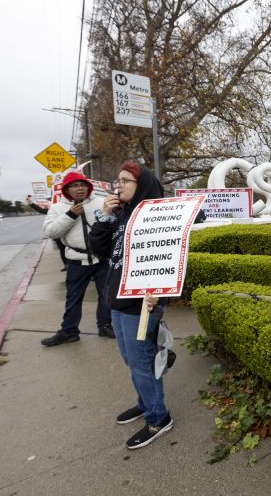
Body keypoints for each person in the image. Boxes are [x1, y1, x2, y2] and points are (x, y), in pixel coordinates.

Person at [88, 161, 174, 449]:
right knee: (130, 360)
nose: (118, 185)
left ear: (143, 186)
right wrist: (104, 217)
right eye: (118, 180)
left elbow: (171, 260)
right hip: (117, 300)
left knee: (140, 364)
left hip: (140, 305)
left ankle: (158, 417)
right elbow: (100, 251)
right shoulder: (122, 215)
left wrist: (162, 294)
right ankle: (145, 400)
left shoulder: (155, 216)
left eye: (125, 181)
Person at [41, 172, 114, 345]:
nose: (80, 188)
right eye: (74, 185)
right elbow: (51, 232)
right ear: (66, 189)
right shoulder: (57, 208)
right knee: (74, 298)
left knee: (105, 295)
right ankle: (69, 331)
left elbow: (112, 224)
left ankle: (105, 325)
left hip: (101, 259)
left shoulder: (101, 203)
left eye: (83, 184)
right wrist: (70, 215)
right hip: (76, 261)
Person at [27, 194, 69, 272]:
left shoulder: (71, 206)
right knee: (62, 250)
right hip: (58, 234)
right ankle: (66, 265)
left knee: (70, 250)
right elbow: (42, 210)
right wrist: (31, 203)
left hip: (69, 234)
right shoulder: (54, 209)